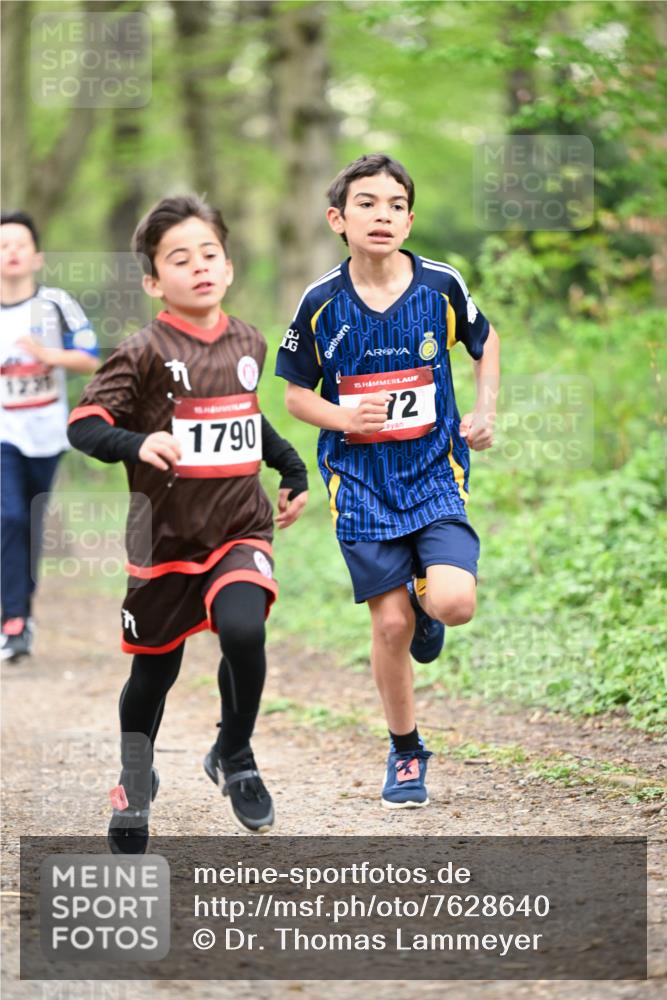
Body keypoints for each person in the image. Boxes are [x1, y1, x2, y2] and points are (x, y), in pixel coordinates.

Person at [67, 195, 308, 850]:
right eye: (180, 258)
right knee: (152, 674)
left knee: (243, 628)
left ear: (228, 267)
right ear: (152, 281)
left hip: (238, 526)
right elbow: (85, 425)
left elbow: (244, 418)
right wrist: (136, 443)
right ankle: (134, 778)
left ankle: (234, 755)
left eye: (209, 254)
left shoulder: (249, 339)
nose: (198, 266)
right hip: (165, 540)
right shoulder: (141, 351)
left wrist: (291, 470)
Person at [276, 153, 500, 810]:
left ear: (408, 218)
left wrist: (484, 410)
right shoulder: (320, 301)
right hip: (360, 482)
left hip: (434, 472)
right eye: (367, 203)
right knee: (389, 625)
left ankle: (429, 604)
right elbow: (293, 396)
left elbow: (486, 342)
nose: (382, 215)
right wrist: (343, 415)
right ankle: (406, 752)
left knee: (452, 603)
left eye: (395, 204)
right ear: (337, 218)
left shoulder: (440, 285)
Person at [1, 211, 99, 663]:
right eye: (3, 246)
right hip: (4, 433)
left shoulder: (56, 303)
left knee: (31, 524)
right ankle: (14, 620)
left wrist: (49, 356)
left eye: (19, 243)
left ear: (37, 256)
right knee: (10, 517)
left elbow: (90, 356)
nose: (12, 252)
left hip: (47, 434)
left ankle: (23, 611)